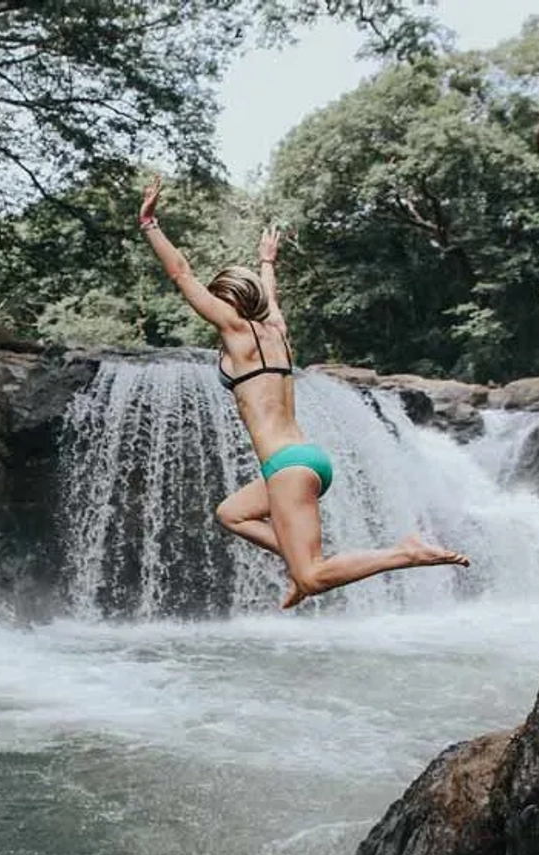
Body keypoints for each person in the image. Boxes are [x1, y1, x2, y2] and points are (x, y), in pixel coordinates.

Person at [137, 174, 469, 608]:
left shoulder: (236, 333)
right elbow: (271, 300)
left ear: (226, 304)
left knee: (313, 578)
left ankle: (403, 553)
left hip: (287, 468)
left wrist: (150, 225)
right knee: (231, 513)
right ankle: (297, 563)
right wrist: (267, 262)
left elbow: (181, 273)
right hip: (305, 460)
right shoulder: (275, 331)